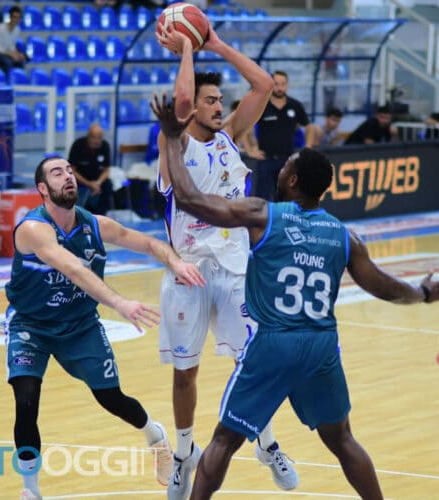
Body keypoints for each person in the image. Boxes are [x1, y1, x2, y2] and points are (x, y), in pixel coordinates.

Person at [152, 93, 439, 500]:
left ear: (292, 181)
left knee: (223, 440)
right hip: (322, 347)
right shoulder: (344, 236)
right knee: (343, 440)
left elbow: (189, 200)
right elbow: (384, 287)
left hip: (274, 343)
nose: (282, 168)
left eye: (287, 166)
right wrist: (423, 293)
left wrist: (171, 138)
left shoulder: (264, 216)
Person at [4, 155, 206, 499]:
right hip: (31, 325)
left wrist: (176, 262)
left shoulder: (96, 226)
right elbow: (73, 269)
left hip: (80, 325)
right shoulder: (33, 229)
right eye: (57, 173)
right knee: (25, 401)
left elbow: (150, 243)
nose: (68, 176)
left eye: (70, 170)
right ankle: (30, 490)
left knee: (111, 398)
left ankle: (155, 436)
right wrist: (120, 303)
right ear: (43, 189)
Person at [155, 20, 297, 499]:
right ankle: (184, 453)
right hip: (187, 270)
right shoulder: (175, 145)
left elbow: (263, 85)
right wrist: (187, 49)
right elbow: (178, 105)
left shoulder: (231, 135)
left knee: (251, 362)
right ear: (194, 107)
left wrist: (214, 43)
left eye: (220, 100)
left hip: (237, 270)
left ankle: (267, 443)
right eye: (210, 101)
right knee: (185, 373)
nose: (220, 107)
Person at [253, 70, 313, 201]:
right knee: (261, 199)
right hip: (266, 160)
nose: (279, 88)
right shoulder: (262, 105)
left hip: (287, 161)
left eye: (283, 84)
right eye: (276, 84)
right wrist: (251, 148)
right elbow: (246, 126)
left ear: (287, 85)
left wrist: (308, 146)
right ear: (271, 85)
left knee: (286, 198)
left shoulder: (295, 105)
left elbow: (309, 126)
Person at [68, 123, 113, 215]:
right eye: (94, 137)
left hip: (98, 181)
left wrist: (98, 183)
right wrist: (89, 184)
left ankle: (101, 215)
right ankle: (78, 214)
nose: (96, 141)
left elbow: (106, 170)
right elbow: (72, 170)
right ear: (88, 136)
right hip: (81, 180)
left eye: (99, 138)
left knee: (108, 185)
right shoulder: (78, 145)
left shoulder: (105, 146)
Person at [0, 5, 28, 75]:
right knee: (7, 62)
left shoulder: (17, 29)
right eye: (14, 17)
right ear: (10, 17)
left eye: (19, 18)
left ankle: (16, 79)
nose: (16, 20)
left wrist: (17, 54)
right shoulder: (0, 28)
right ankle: (4, 79)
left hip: (3, 52)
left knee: (20, 60)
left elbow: (11, 46)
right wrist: (11, 54)